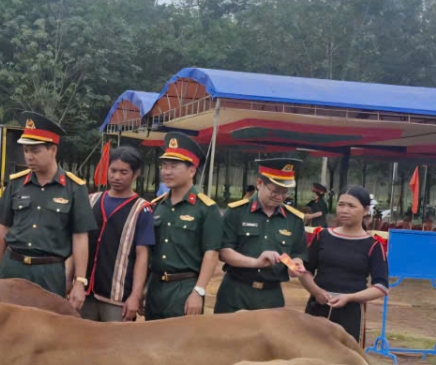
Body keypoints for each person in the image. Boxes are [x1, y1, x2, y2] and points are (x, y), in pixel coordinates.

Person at [0, 111, 95, 307]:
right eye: (26, 150)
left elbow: (80, 237)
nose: (29, 156)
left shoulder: (74, 188)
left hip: (49, 272)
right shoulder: (16, 183)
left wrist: (80, 282)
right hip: (13, 266)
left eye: (35, 151)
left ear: (53, 150)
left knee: (44, 330)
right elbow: (2, 231)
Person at [214, 157, 308, 314]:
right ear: (259, 183)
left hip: (271, 296)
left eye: (285, 192)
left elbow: (298, 253)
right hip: (236, 292)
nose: (280, 197)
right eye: (275, 191)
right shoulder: (236, 212)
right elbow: (224, 252)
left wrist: (295, 266)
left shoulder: (294, 220)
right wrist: (256, 262)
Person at [297, 185, 389, 345]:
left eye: (351, 206)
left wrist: (350, 298)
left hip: (350, 313)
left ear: (366, 210)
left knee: (345, 362)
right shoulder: (322, 236)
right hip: (318, 306)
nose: (344, 210)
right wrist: (316, 291)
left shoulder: (373, 245)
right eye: (341, 205)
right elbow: (305, 271)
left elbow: (381, 287)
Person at [146, 133, 222, 319]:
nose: (166, 172)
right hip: (155, 287)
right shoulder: (157, 206)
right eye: (164, 166)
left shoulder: (206, 209)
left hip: (185, 288)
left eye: (173, 166)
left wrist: (199, 291)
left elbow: (211, 253)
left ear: (191, 170)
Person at [81, 146, 155, 321]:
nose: (116, 177)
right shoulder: (92, 200)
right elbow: (78, 242)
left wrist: (135, 296)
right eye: (113, 171)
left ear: (136, 174)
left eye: (123, 172)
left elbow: (142, 255)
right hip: (85, 292)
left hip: (117, 297)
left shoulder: (142, 209)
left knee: (116, 345)